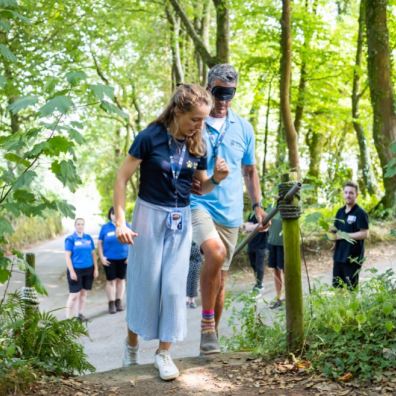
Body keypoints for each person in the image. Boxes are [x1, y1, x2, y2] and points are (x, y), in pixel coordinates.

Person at [113, 84, 229, 381]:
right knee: (145, 282)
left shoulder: (198, 144)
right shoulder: (149, 137)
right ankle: (131, 345)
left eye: (203, 120)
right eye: (195, 119)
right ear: (178, 111)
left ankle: (164, 353)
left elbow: (200, 188)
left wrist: (216, 178)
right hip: (148, 215)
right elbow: (122, 177)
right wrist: (120, 222)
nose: (200, 125)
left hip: (181, 217)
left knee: (175, 288)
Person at [190, 64, 267, 355]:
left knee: (220, 280)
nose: (223, 101)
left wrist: (258, 206)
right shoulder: (195, 123)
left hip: (231, 211)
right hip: (199, 203)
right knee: (214, 252)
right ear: (208, 88)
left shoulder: (244, 128)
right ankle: (207, 324)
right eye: (219, 93)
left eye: (229, 94)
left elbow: (249, 170)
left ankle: (210, 339)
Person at [330, 181, 369, 289]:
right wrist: (332, 237)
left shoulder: (360, 213)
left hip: (353, 258)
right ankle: (339, 307)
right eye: (346, 192)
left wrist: (344, 235)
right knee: (337, 288)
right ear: (343, 194)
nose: (348, 195)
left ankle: (351, 307)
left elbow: (365, 233)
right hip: (338, 257)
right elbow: (335, 231)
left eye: (351, 193)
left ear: (357, 195)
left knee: (350, 290)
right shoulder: (340, 212)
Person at [64, 218, 98, 320]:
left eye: (82, 224)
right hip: (76, 270)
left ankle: (80, 314)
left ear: (84, 226)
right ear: (75, 226)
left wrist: (96, 269)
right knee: (74, 295)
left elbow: (93, 254)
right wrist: (71, 271)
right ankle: (68, 318)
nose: (80, 226)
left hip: (89, 269)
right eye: (78, 224)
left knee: (84, 293)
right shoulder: (70, 239)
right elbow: (67, 257)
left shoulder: (88, 238)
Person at [98, 207, 130, 314]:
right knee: (111, 281)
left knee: (121, 280)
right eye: (113, 213)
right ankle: (111, 303)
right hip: (109, 260)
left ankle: (118, 301)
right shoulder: (105, 228)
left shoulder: (126, 225)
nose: (115, 216)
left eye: (117, 213)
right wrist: (101, 257)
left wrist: (130, 256)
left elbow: (132, 240)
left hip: (124, 258)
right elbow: (99, 243)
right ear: (110, 215)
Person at [243, 212, 268, 292]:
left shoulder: (264, 213)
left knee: (259, 265)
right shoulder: (251, 214)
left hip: (261, 244)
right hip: (251, 243)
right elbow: (245, 228)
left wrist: (250, 227)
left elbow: (266, 227)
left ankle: (259, 285)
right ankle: (258, 282)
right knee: (253, 264)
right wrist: (254, 227)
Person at [267, 210, 284, 309]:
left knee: (286, 271)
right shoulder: (271, 207)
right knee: (276, 271)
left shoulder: (288, 206)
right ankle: (278, 298)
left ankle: (287, 297)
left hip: (284, 244)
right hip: (272, 243)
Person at [186, 241, 202, 308]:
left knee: (194, 282)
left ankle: (192, 300)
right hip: (186, 263)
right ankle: (187, 299)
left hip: (195, 263)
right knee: (187, 281)